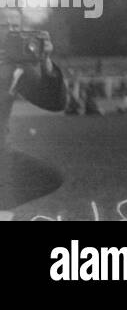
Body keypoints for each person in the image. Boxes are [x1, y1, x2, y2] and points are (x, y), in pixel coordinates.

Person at [1, 16, 68, 219]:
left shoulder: (16, 65)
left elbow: (54, 102)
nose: (13, 31)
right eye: (5, 25)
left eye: (16, 25)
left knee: (48, 177)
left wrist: (46, 62)